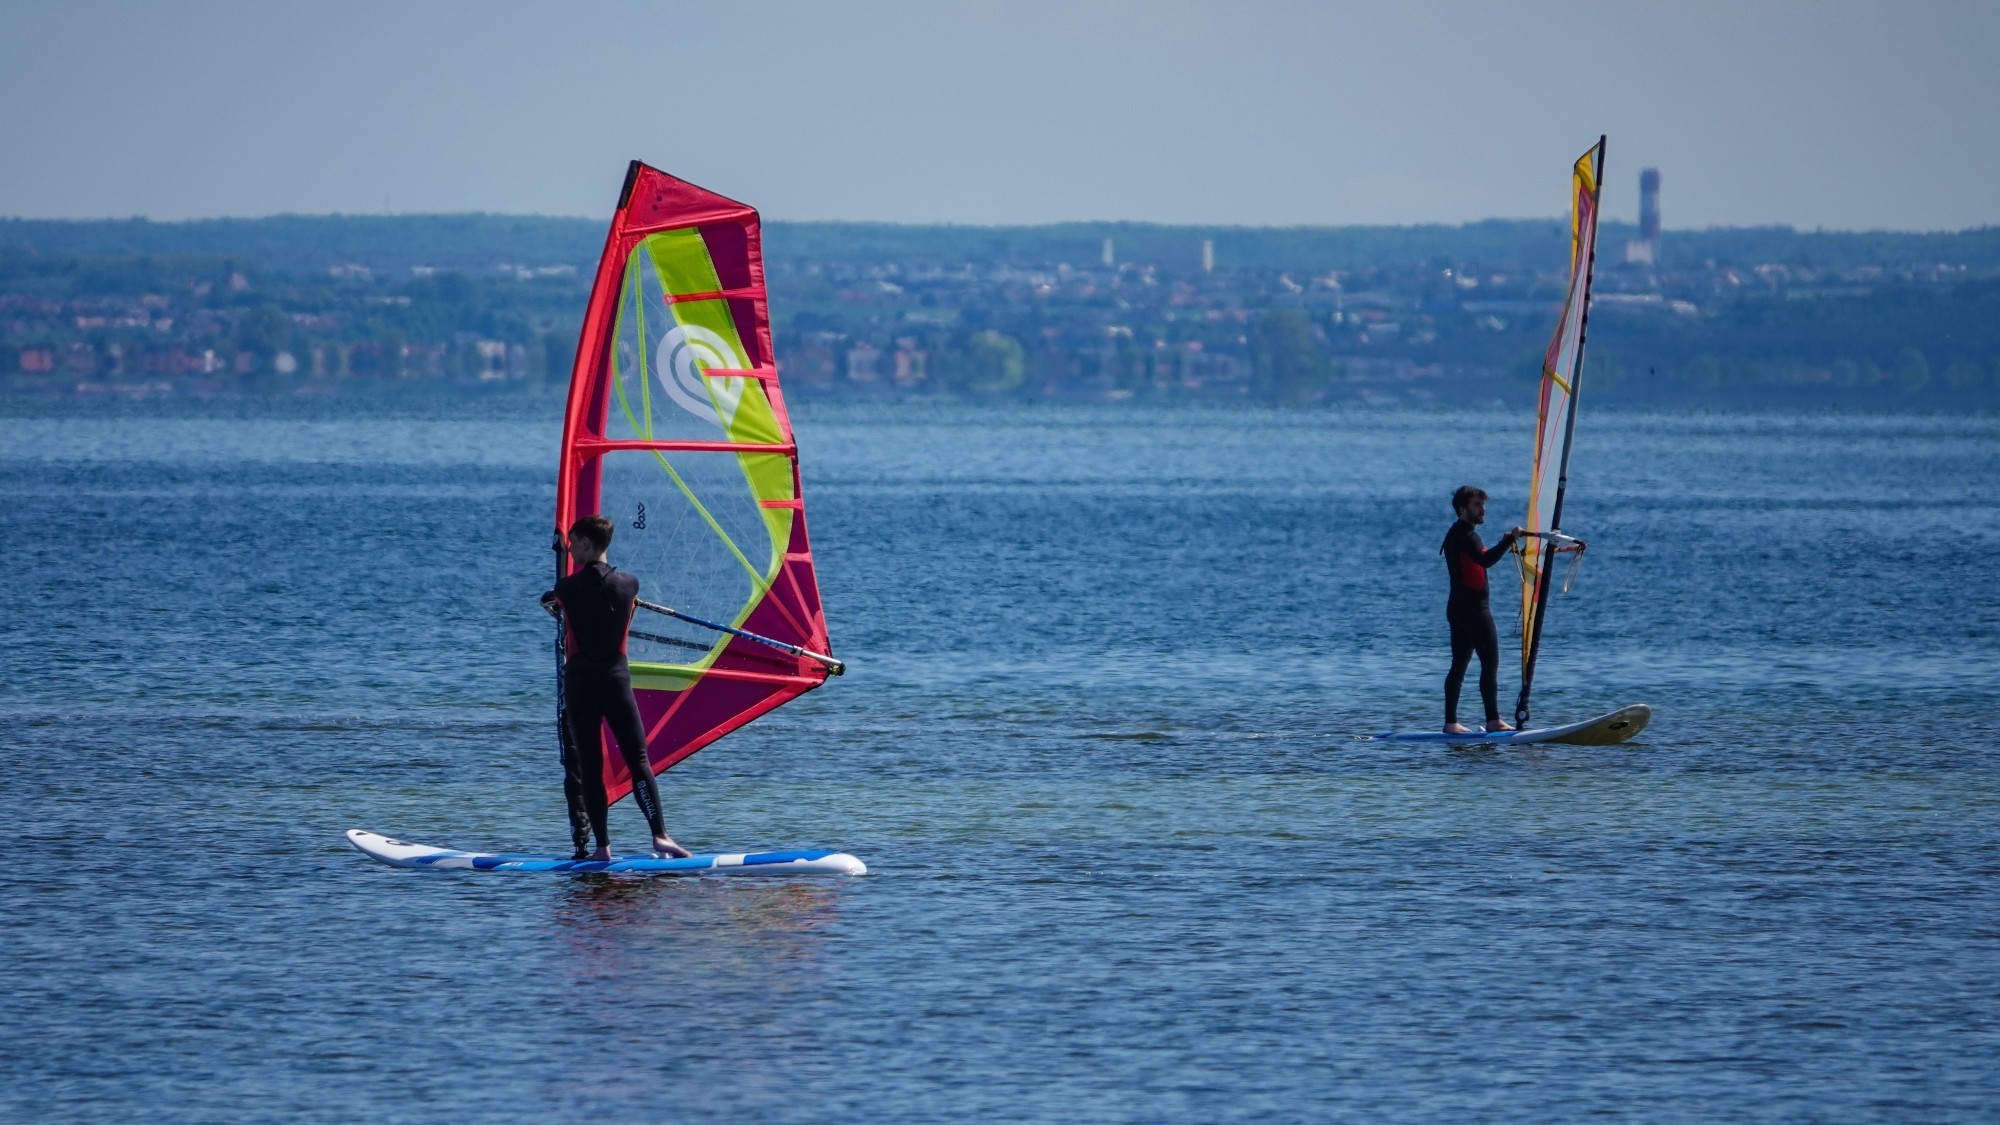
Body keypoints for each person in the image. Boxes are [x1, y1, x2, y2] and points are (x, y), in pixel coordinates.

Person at [541, 515, 691, 861]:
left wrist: (554, 604)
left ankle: (603, 848)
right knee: (639, 759)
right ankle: (661, 835)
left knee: (591, 765)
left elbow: (553, 600)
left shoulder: (566, 589)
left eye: (574, 543)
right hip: (616, 682)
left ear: (588, 545)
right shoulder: (630, 585)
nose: (570, 549)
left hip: (581, 685)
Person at [1440, 485, 1524, 734]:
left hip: (1458, 608)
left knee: (1459, 665)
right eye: (1477, 505)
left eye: (1483, 505)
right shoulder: (1467, 536)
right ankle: (1493, 720)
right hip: (1475, 610)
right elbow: (1486, 560)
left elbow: (1482, 558)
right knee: (1490, 663)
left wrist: (1506, 542)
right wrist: (1510, 539)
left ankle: (1451, 723)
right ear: (1463, 508)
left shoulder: (1456, 533)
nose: (1482, 509)